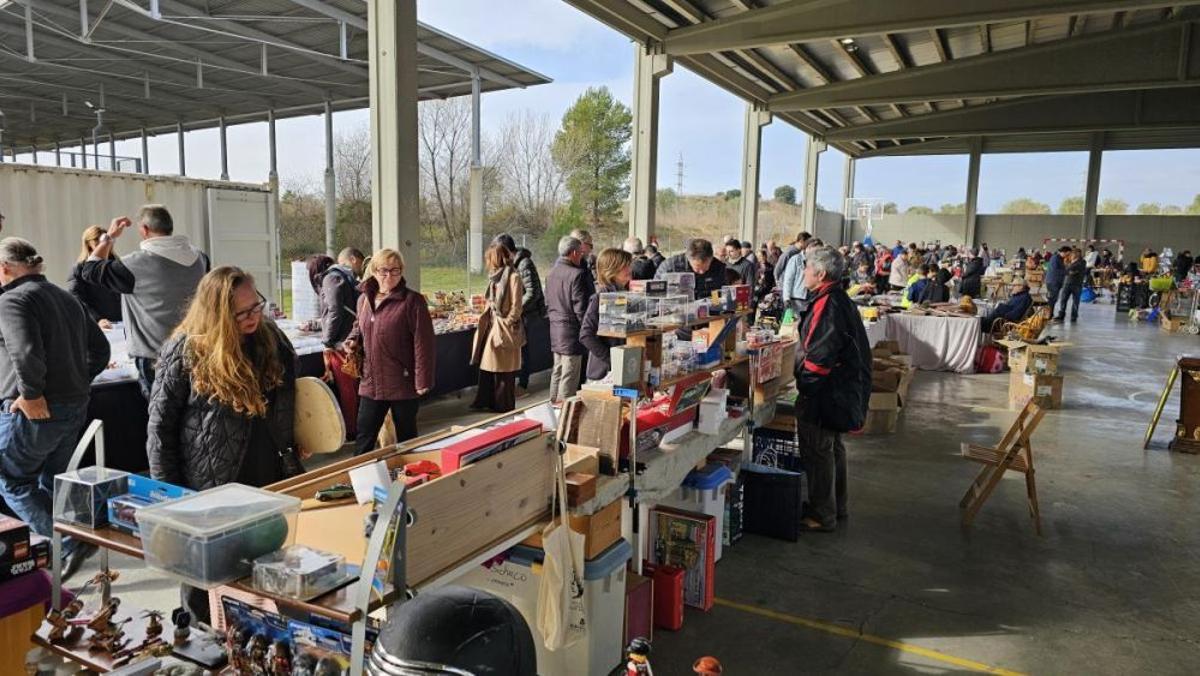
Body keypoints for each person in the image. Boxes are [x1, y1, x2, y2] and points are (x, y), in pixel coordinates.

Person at [147, 266, 298, 625]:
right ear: (216, 313)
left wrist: (294, 442)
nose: (253, 316)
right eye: (242, 312)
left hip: (267, 473)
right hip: (210, 484)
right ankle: (203, 639)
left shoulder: (271, 339)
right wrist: (171, 498)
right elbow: (159, 429)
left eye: (256, 306)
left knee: (265, 567)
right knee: (205, 577)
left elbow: (291, 395)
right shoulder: (185, 350)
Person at [0, 238, 110, 577]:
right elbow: (101, 350)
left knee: (13, 481)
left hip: (35, 410)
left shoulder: (12, 299)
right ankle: (66, 545)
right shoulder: (67, 298)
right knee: (52, 481)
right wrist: (76, 381)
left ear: (5, 269)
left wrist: (32, 394)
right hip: (74, 406)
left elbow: (24, 351)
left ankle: (67, 545)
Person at [80, 205, 209, 399]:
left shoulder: (135, 265)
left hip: (154, 358)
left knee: (161, 418)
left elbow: (90, 269)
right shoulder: (200, 258)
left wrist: (110, 236)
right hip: (195, 350)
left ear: (144, 230)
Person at [793, 246, 871, 532]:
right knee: (833, 448)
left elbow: (819, 357)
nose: (803, 273)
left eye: (807, 268)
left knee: (818, 450)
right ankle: (837, 507)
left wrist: (805, 387)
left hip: (827, 393)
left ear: (821, 274)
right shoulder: (837, 299)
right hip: (841, 390)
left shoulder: (829, 305)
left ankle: (821, 513)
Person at [342, 249, 434, 453]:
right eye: (383, 271)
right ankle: (362, 479)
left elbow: (423, 343)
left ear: (402, 272)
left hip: (402, 381)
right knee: (364, 437)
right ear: (374, 271)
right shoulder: (364, 300)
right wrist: (351, 341)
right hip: (371, 381)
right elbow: (359, 327)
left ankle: (410, 479)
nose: (389, 276)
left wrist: (422, 381)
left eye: (395, 271)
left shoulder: (413, 301)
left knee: (407, 439)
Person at [471, 244, 525, 413]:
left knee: (504, 370)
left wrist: (508, 322)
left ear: (495, 258)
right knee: (490, 365)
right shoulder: (494, 277)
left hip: (505, 328)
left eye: (489, 258)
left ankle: (503, 405)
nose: (487, 262)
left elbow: (517, 306)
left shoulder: (513, 277)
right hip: (493, 326)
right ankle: (488, 401)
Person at [316, 249, 363, 439]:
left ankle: (352, 431)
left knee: (347, 390)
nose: (360, 267)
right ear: (352, 259)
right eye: (359, 262)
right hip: (351, 341)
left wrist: (327, 339)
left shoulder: (332, 279)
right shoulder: (347, 278)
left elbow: (334, 310)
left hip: (340, 344)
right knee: (354, 387)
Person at [493, 234, 546, 396]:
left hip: (527, 314)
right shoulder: (511, 264)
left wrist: (515, 308)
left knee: (524, 350)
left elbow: (533, 292)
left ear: (507, 250)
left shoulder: (524, 264)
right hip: (519, 313)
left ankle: (523, 385)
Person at [544, 236, 591, 405]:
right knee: (570, 374)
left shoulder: (551, 273)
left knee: (557, 370)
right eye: (581, 253)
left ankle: (553, 406)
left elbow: (547, 302)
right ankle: (565, 412)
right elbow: (580, 309)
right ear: (573, 253)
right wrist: (588, 329)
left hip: (555, 328)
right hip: (571, 331)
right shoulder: (577, 275)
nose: (582, 257)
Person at [579, 249, 633, 382]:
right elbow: (586, 335)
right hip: (604, 374)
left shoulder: (626, 294)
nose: (629, 269)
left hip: (626, 367)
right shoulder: (601, 298)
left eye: (629, 265)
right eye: (625, 266)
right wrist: (612, 359)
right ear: (612, 269)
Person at [66, 226, 124, 328]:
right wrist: (97, 320)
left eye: (105, 238)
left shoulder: (117, 265)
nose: (102, 242)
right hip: (98, 327)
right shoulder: (79, 269)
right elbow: (77, 300)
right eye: (97, 239)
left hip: (124, 323)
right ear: (88, 243)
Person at [655, 238, 728, 299]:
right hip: (676, 310)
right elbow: (654, 294)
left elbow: (718, 292)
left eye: (705, 268)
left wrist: (715, 307)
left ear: (711, 259)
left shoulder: (719, 267)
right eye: (697, 268)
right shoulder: (669, 267)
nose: (701, 272)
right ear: (689, 259)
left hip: (707, 311)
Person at [1055, 248, 1087, 323]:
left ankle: (1074, 316)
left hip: (1077, 284)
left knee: (1075, 301)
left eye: (1075, 253)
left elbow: (1072, 268)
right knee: (1063, 300)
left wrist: (1068, 268)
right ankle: (1061, 315)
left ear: (1078, 254)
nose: (1073, 255)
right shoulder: (1068, 261)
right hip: (1067, 283)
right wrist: (1068, 270)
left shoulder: (1082, 262)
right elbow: (1066, 270)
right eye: (1072, 254)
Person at [1045, 246, 1069, 312]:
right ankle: (1049, 314)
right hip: (1053, 282)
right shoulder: (1055, 258)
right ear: (1064, 252)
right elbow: (1055, 270)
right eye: (1067, 254)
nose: (1067, 255)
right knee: (1052, 298)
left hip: (1055, 281)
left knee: (1053, 298)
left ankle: (1050, 313)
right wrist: (1067, 272)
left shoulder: (1060, 258)